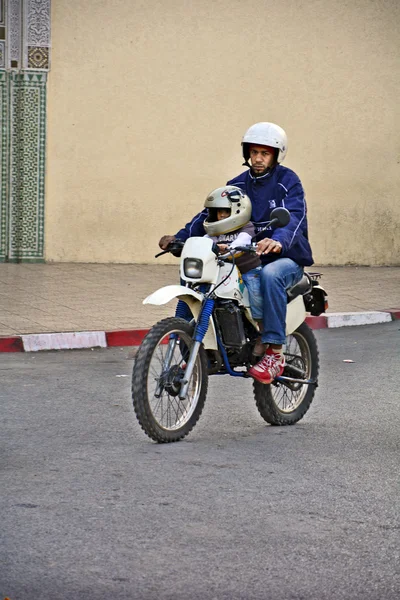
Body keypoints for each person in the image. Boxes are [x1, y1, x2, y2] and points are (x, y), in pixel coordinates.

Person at [159, 122, 314, 385]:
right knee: (203, 280)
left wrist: (278, 240)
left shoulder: (287, 181)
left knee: (270, 275)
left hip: (284, 257)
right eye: (254, 152)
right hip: (243, 255)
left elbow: (295, 217)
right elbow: (209, 216)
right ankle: (195, 347)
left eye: (265, 153)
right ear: (247, 154)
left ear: (276, 155)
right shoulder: (237, 184)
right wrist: (180, 237)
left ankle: (274, 351)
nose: (258, 158)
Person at [202, 185, 263, 324]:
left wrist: (229, 247)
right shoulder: (216, 229)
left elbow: (243, 240)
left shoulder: (247, 227)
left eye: (226, 211)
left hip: (248, 270)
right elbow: (206, 240)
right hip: (224, 270)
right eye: (219, 212)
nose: (222, 215)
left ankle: (261, 326)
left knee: (256, 294)